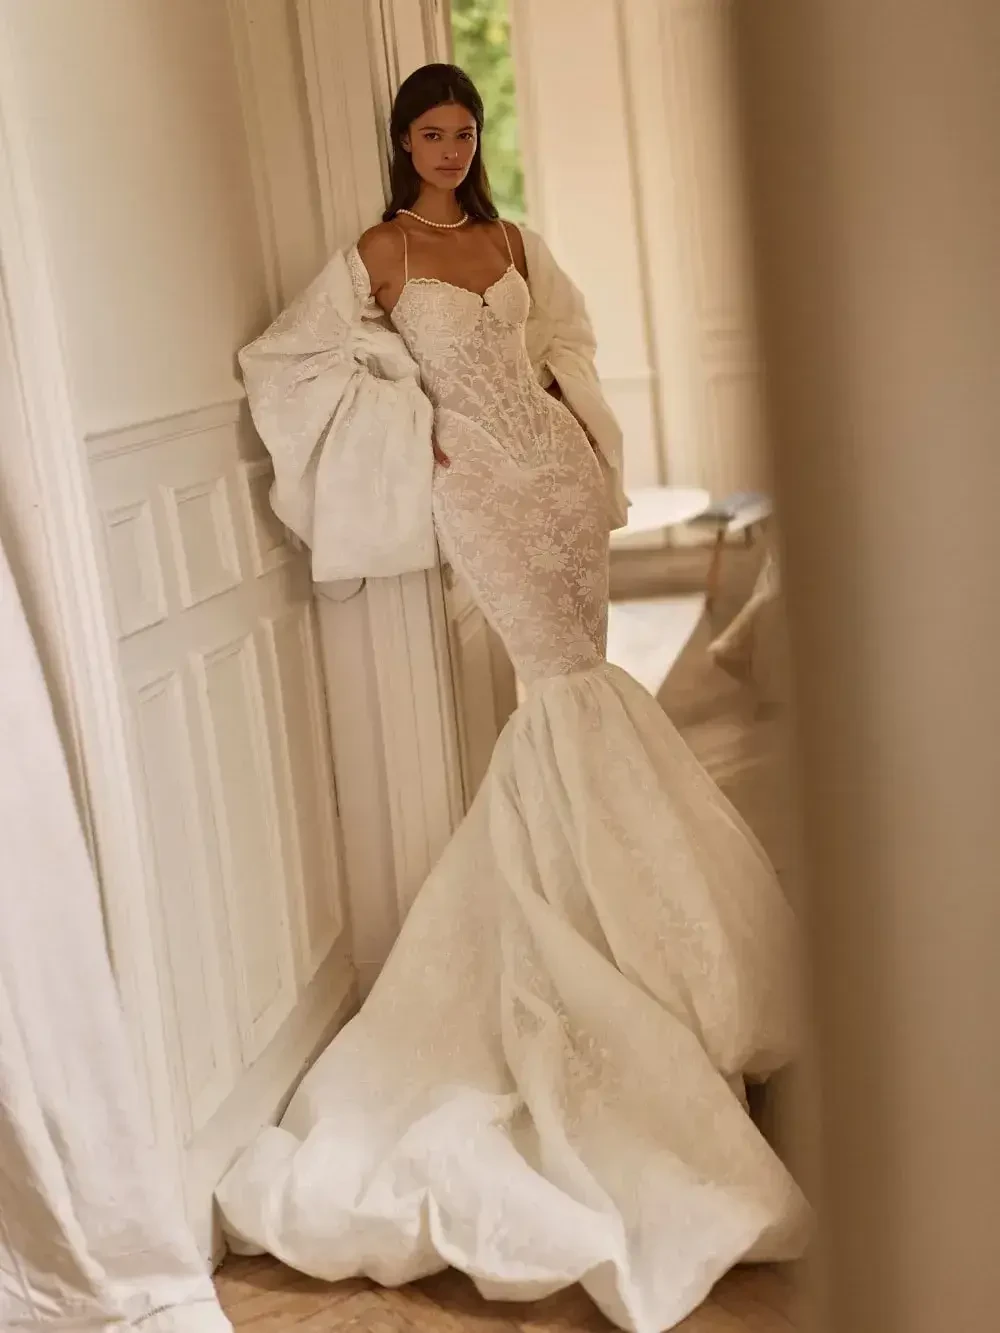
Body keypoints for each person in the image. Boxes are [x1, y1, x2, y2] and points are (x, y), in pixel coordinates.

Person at [217, 64, 807, 1333]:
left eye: (462, 130)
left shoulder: (511, 237)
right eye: (429, 131)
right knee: (553, 690)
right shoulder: (377, 250)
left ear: (473, 142)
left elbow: (565, 341)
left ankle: (636, 928)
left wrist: (574, 421)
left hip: (551, 483)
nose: (446, 146)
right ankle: (583, 925)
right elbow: (291, 361)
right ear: (402, 143)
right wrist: (399, 425)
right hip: (476, 495)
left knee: (583, 676)